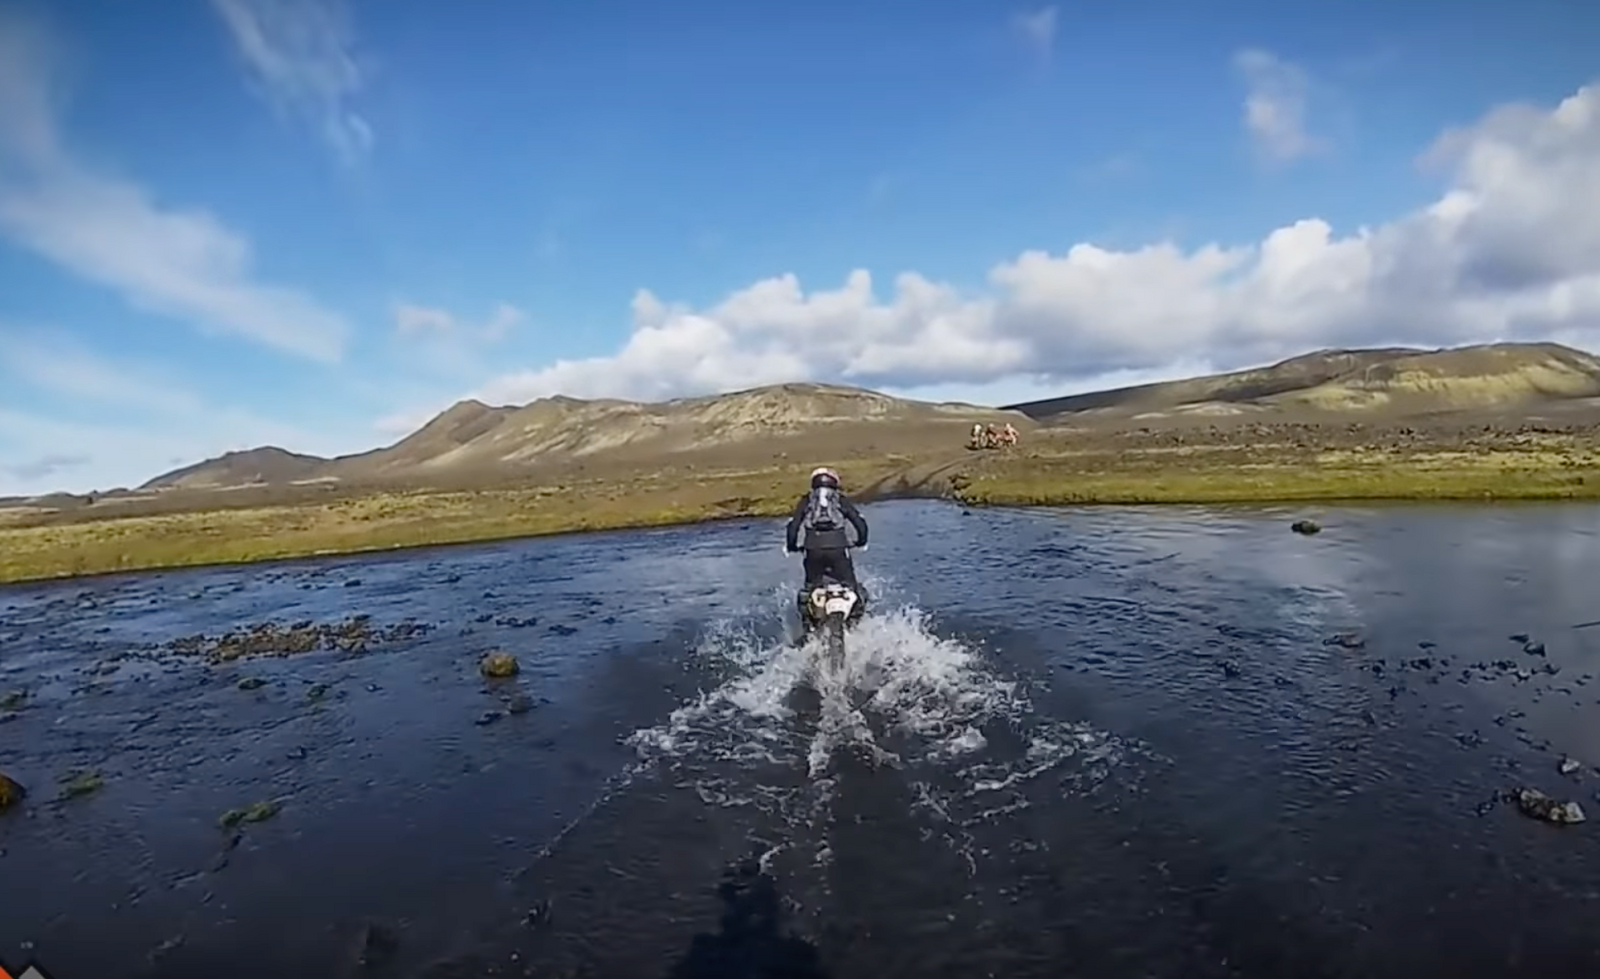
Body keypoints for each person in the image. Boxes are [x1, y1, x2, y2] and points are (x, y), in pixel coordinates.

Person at [785, 466, 869, 607]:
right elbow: (860, 523)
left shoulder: (807, 500)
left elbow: (793, 527)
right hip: (838, 549)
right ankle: (857, 614)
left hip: (812, 549)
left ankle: (808, 618)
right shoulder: (840, 499)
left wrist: (791, 546)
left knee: (810, 589)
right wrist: (861, 541)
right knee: (850, 586)